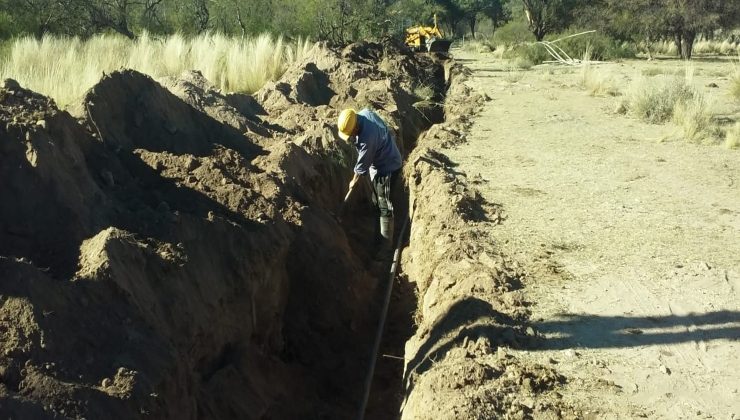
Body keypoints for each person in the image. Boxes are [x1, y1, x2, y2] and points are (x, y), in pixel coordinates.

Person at [337, 108, 402, 257]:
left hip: (388, 167)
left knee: (384, 205)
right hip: (381, 160)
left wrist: (353, 182)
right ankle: (377, 235)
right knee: (376, 202)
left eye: (350, 134)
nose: (350, 138)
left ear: (356, 128)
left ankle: (385, 247)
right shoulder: (363, 114)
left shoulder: (368, 138)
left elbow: (361, 168)